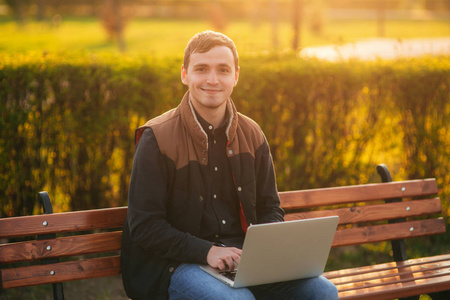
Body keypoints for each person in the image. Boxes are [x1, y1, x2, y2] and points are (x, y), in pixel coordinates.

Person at [120, 30, 338, 300]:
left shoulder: (253, 133)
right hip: (175, 264)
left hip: (242, 261)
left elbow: (270, 207)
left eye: (223, 70)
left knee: (322, 292)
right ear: (185, 75)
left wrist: (264, 253)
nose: (212, 80)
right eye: (201, 69)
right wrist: (207, 251)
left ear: (235, 76)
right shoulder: (156, 137)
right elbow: (144, 226)